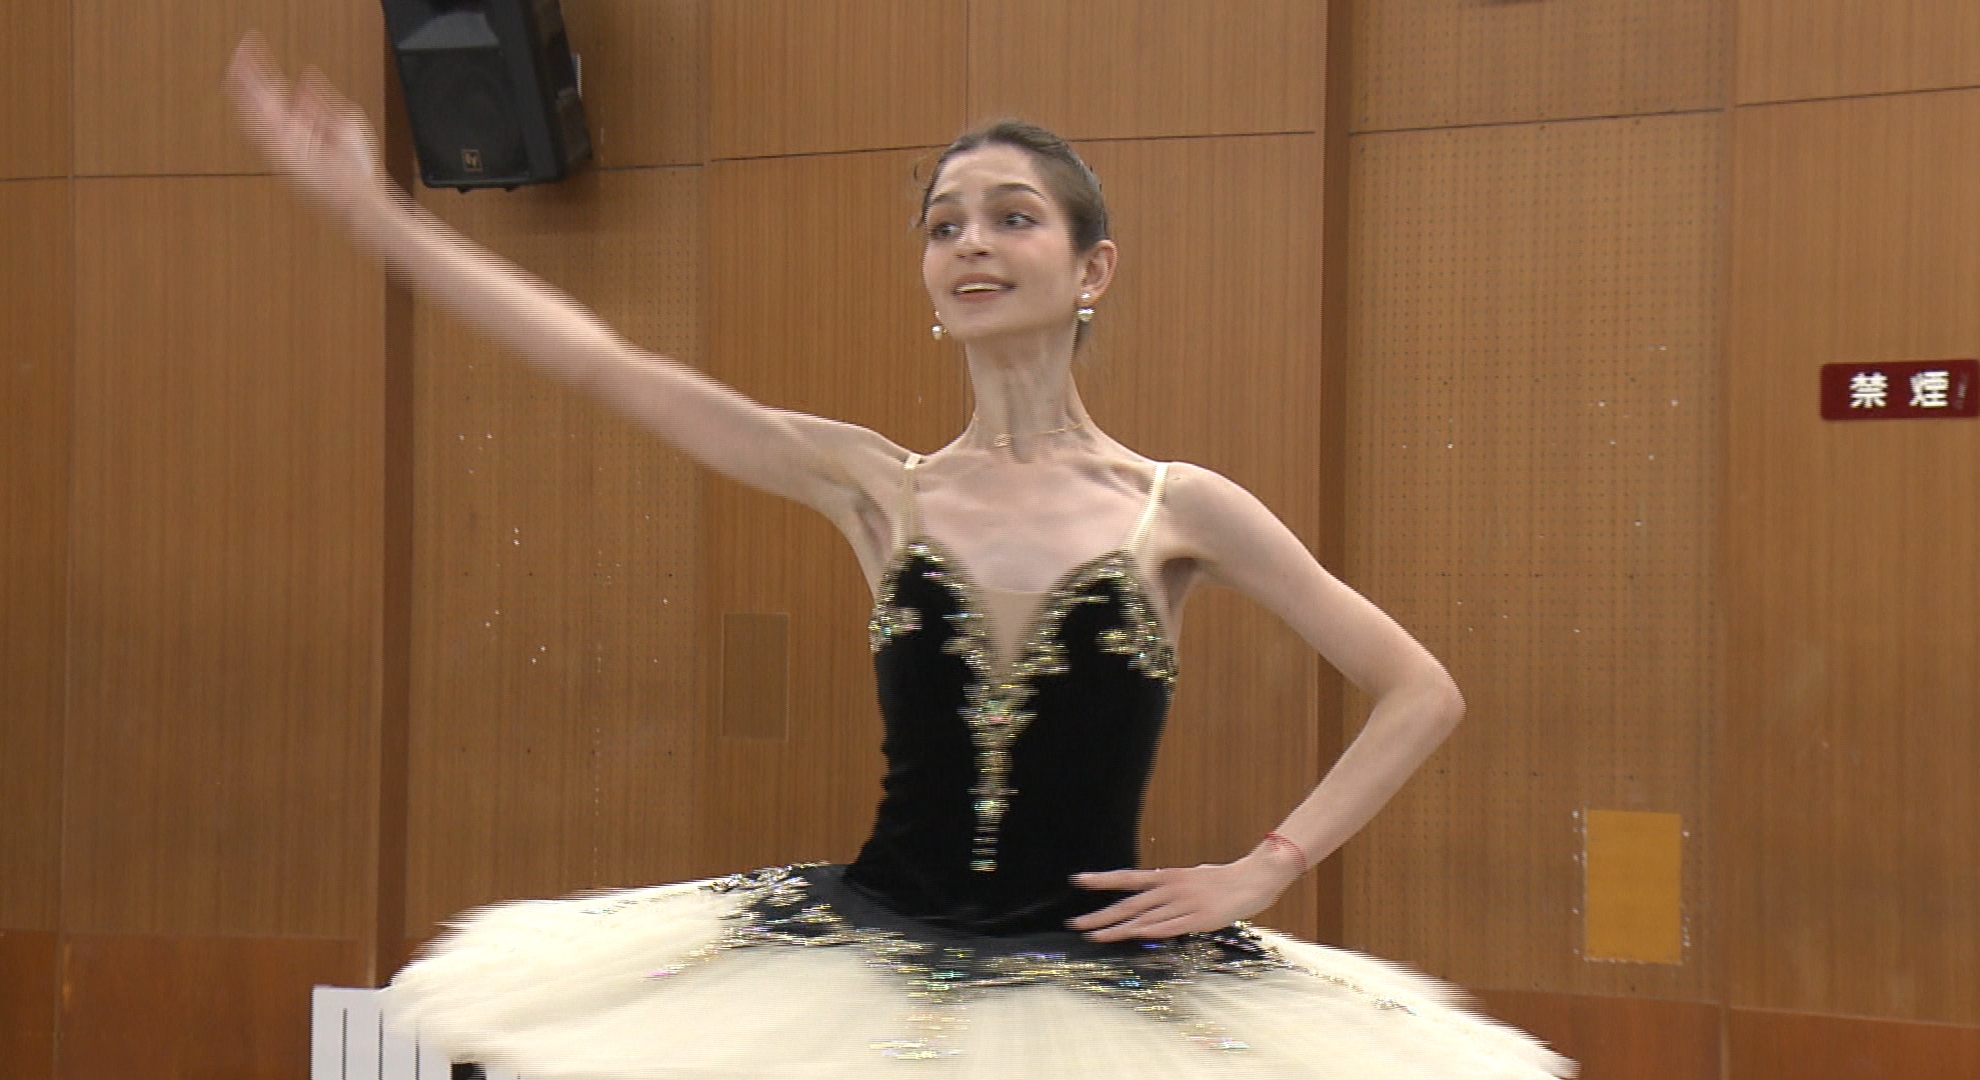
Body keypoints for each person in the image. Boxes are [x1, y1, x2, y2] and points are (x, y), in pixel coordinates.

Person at [227, 34, 1574, 1080]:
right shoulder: (875, 488)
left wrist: (1265, 866)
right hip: (866, 965)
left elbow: (1420, 692)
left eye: (1012, 216)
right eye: (944, 224)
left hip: (1103, 999)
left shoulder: (1182, 510)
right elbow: (604, 364)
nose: (972, 241)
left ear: (1092, 268)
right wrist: (373, 212)